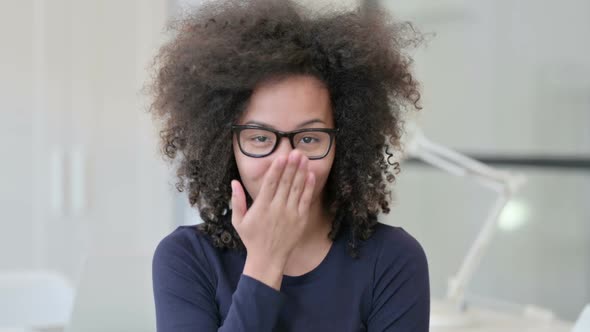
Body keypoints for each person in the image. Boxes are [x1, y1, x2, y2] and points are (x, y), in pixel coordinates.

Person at [148, 0, 429, 330]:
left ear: (343, 143)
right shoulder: (187, 258)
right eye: (260, 139)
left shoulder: (393, 259)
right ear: (225, 146)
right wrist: (266, 261)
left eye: (309, 139)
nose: (285, 160)